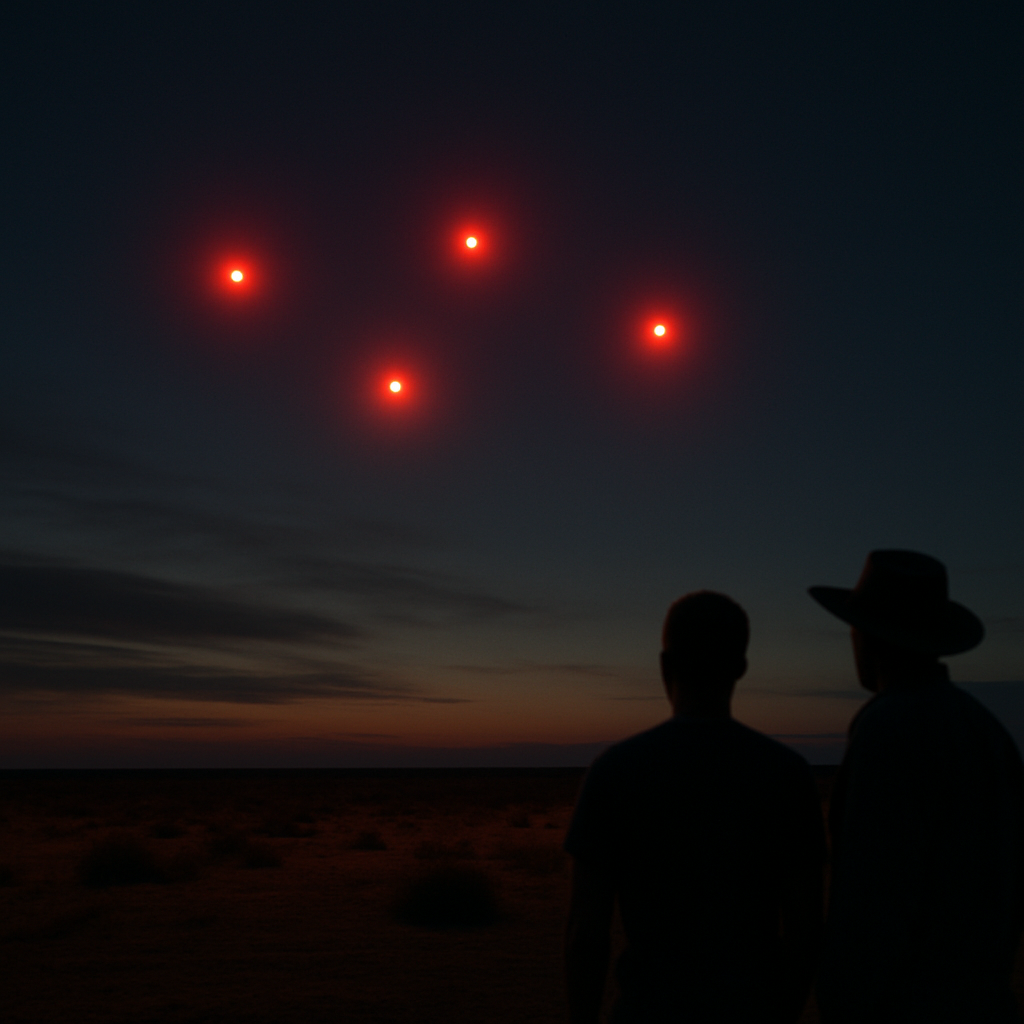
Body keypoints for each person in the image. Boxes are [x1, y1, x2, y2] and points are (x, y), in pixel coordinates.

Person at [564, 591, 825, 1024]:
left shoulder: (615, 771)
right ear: (741, 667)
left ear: (665, 666)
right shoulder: (787, 774)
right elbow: (805, 928)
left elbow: (585, 933)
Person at [809, 550, 1024, 1023]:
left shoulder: (887, 730)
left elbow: (872, 903)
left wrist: (842, 1001)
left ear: (867, 637)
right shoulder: (988, 731)